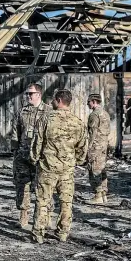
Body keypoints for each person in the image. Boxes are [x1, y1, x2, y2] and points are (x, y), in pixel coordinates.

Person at [30, 89, 86, 243]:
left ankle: (38, 234)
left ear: (59, 100)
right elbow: (82, 148)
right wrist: (77, 161)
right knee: (66, 202)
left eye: (53, 100)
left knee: (42, 201)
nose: (51, 102)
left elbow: (37, 143)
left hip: (47, 168)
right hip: (67, 170)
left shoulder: (45, 119)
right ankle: (62, 233)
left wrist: (35, 159)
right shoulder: (78, 122)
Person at [11, 83, 52, 228]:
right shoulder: (21, 111)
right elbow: (15, 132)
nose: (28, 96)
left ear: (39, 95)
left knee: (43, 187)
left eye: (31, 93)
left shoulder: (48, 111)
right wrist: (15, 152)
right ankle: (23, 216)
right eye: (27, 93)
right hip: (23, 156)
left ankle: (45, 218)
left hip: (41, 157)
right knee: (22, 186)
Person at [86, 93, 110, 204]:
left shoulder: (94, 115)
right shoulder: (105, 113)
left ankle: (98, 195)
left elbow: (93, 133)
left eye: (89, 102)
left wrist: (88, 148)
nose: (87, 104)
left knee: (94, 169)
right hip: (104, 144)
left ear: (94, 101)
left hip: (96, 145)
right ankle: (104, 193)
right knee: (102, 168)